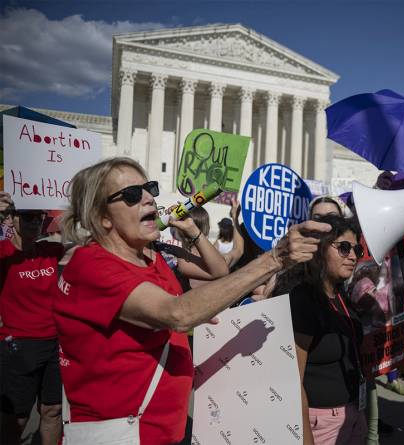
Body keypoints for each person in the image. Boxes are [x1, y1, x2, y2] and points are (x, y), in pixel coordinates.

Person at [53, 157, 330, 444]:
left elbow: (202, 291)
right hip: (120, 433)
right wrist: (274, 258)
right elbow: (177, 313)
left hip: (165, 430)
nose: (149, 198)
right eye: (133, 195)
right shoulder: (91, 265)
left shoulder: (152, 258)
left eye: (149, 188)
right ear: (102, 217)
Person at [290, 215, 368, 445]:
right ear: (320, 249)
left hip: (353, 414)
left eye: (356, 249)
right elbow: (293, 380)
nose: (353, 256)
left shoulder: (341, 293)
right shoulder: (304, 298)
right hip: (320, 425)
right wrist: (306, 439)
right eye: (344, 247)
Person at [0, 192, 63, 445]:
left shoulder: (51, 250)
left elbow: (87, 244)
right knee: (17, 418)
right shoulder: (3, 253)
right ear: (13, 220)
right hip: (18, 345)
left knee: (53, 410)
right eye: (27, 217)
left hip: (55, 344)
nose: (34, 223)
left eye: (39, 217)